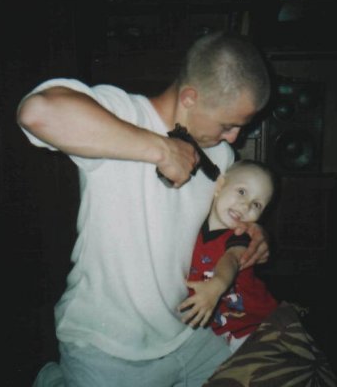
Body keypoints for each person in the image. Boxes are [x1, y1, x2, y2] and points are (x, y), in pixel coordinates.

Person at [17, 31, 271, 387]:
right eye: (228, 125)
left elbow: (225, 220)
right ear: (190, 98)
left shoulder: (221, 155)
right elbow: (37, 112)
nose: (235, 138)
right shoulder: (124, 113)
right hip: (107, 345)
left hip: (187, 333)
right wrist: (161, 149)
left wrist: (254, 232)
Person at [178, 160, 279, 353]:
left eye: (257, 204)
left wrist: (217, 284)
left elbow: (232, 259)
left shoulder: (240, 235)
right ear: (219, 186)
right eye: (242, 192)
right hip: (220, 330)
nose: (246, 205)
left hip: (254, 324)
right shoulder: (193, 225)